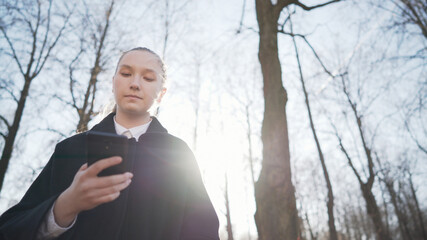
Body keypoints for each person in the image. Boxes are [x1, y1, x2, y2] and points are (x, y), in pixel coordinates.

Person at [0, 47, 220, 240]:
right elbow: (11, 229)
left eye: (148, 78)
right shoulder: (69, 149)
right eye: (126, 73)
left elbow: (203, 230)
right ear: (113, 82)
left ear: (161, 94)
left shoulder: (177, 154)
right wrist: (65, 205)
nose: (134, 84)